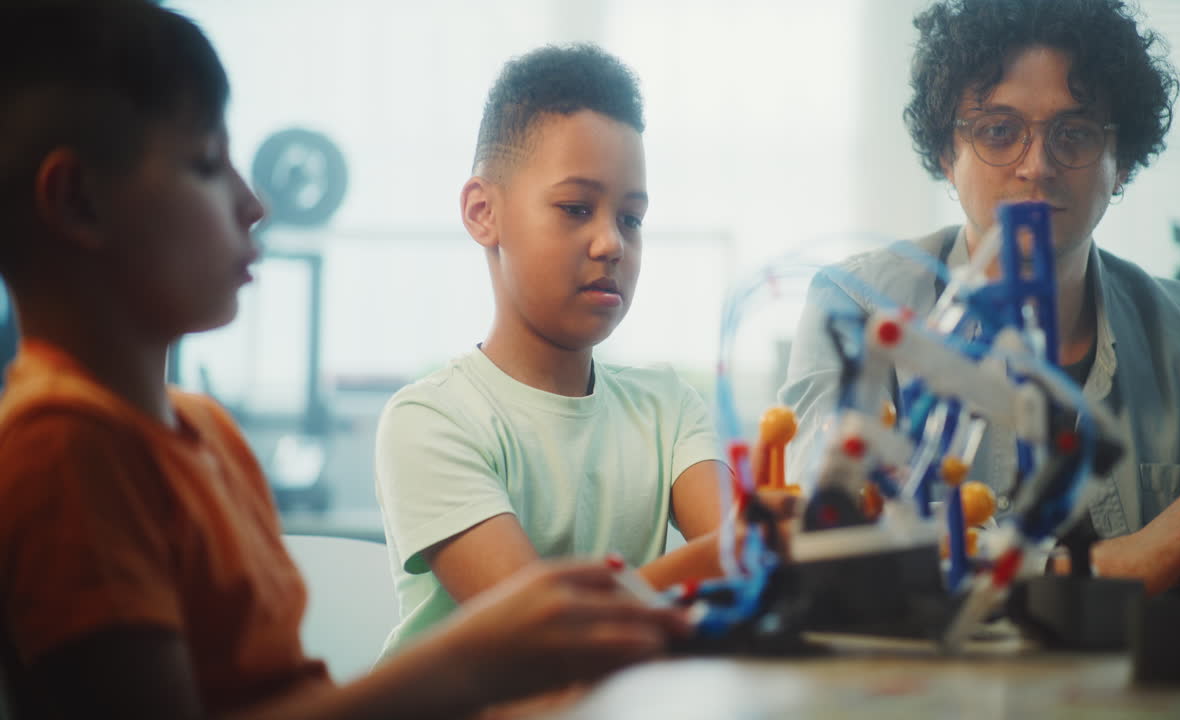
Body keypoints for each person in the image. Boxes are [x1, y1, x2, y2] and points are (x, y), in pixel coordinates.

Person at [0, 3, 688, 718]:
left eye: (631, 218)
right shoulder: (63, 452)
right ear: (77, 200)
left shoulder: (207, 434)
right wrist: (472, 661)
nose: (253, 202)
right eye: (207, 165)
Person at [781, 0, 1180, 596]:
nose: (1038, 166)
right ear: (945, 156)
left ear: (1123, 161)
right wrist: (1098, 568)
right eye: (998, 131)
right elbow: (824, 559)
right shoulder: (857, 310)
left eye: (1075, 133)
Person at [373, 43, 740, 658]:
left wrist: (760, 547)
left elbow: (749, 556)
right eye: (576, 208)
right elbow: (543, 636)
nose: (611, 244)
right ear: (483, 213)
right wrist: (751, 549)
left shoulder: (668, 408)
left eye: (631, 218)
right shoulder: (430, 421)